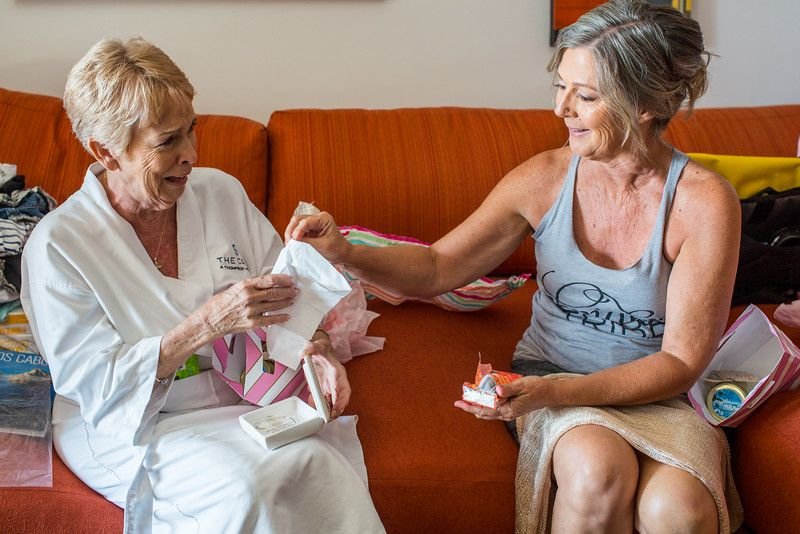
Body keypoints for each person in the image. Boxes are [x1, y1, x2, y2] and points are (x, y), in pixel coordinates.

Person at [286, 1, 743, 532]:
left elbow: (682, 362)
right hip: (551, 375)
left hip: (657, 394)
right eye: (561, 87)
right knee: (598, 472)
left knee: (679, 512)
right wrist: (344, 253)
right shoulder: (545, 178)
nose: (560, 109)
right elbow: (438, 267)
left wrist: (556, 394)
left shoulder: (703, 201)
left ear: (645, 104)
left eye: (586, 96)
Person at [20, 38, 384, 533]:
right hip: (137, 426)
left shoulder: (220, 192)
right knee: (247, 488)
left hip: (245, 405)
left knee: (317, 468)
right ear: (106, 152)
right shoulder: (59, 245)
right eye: (166, 142)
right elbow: (95, 388)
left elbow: (286, 301)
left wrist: (316, 349)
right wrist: (207, 324)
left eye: (192, 129)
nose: (190, 154)